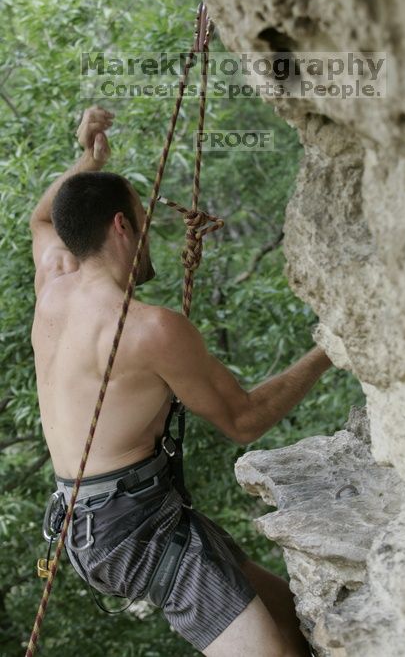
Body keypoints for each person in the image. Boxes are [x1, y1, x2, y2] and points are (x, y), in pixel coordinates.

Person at [30, 105, 333, 657]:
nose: (148, 232)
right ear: (122, 226)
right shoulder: (148, 329)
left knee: (293, 619)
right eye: (142, 220)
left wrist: (89, 159)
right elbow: (244, 421)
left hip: (104, 519)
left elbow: (44, 219)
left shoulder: (54, 283)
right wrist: (330, 349)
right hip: (132, 528)